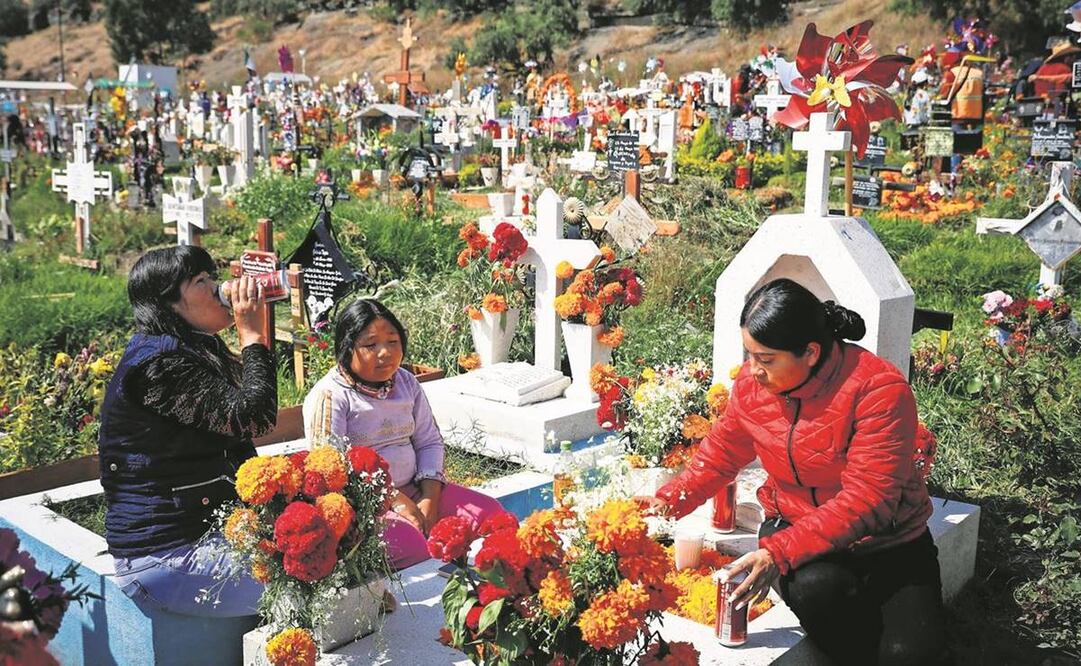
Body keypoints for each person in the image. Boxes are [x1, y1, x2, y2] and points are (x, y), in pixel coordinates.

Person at [637, 278, 947, 666]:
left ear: (811, 352)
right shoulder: (751, 386)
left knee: (909, 656)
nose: (752, 371)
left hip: (887, 542)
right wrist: (669, 501)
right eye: (749, 355)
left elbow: (871, 499)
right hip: (795, 523)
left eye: (766, 359)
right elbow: (721, 453)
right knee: (822, 593)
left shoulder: (877, 390)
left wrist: (776, 555)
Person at [99, 246, 276, 617]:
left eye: (213, 278)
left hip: (208, 530)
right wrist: (253, 337)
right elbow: (254, 418)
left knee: (322, 549)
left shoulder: (194, 348)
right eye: (201, 282)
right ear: (168, 303)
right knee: (305, 579)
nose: (218, 289)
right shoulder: (159, 365)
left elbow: (238, 438)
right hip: (166, 554)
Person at [302, 299, 504, 570]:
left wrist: (429, 499)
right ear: (346, 349)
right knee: (413, 546)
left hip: (419, 489)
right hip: (367, 506)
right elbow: (331, 472)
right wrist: (396, 501)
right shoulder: (331, 396)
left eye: (393, 342)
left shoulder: (406, 382)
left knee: (491, 516)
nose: (385, 353)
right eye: (370, 345)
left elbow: (428, 442)